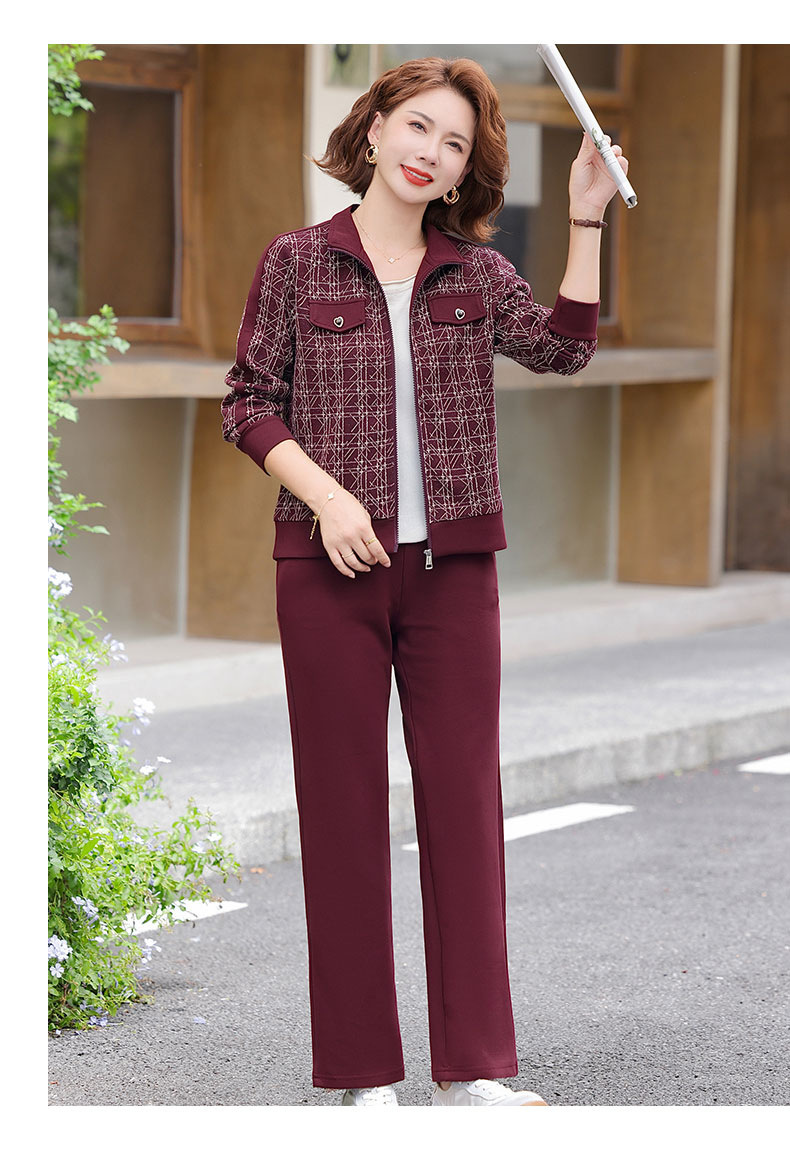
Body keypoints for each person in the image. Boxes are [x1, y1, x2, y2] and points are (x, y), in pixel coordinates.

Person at [220, 55, 628, 1107]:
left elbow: (563, 351)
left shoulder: (476, 274)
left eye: (453, 145)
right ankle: (363, 1078)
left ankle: (475, 1071)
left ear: (460, 174)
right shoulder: (297, 261)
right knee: (342, 815)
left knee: (464, 810)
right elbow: (248, 401)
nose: (429, 152)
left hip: (453, 576)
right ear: (374, 129)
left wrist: (585, 217)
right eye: (417, 127)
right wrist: (330, 500)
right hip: (328, 574)